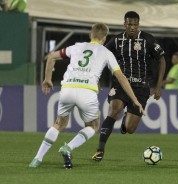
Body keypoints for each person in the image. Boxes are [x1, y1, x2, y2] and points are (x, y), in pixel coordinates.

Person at [29, 23, 145, 169]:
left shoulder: (76, 47)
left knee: (59, 124)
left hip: (68, 89)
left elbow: (51, 57)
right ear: (105, 38)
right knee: (93, 126)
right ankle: (68, 148)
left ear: (91, 35)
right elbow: (120, 77)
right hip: (87, 91)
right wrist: (135, 100)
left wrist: (47, 79)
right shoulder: (106, 52)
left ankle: (37, 159)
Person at [92, 11, 166, 161]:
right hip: (120, 83)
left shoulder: (148, 39)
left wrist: (158, 86)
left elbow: (162, 60)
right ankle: (100, 149)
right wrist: (97, 77)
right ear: (124, 24)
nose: (132, 27)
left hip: (141, 87)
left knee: (130, 128)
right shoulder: (116, 40)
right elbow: (101, 56)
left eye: (135, 24)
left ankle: (126, 124)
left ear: (138, 24)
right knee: (114, 109)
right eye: (129, 24)